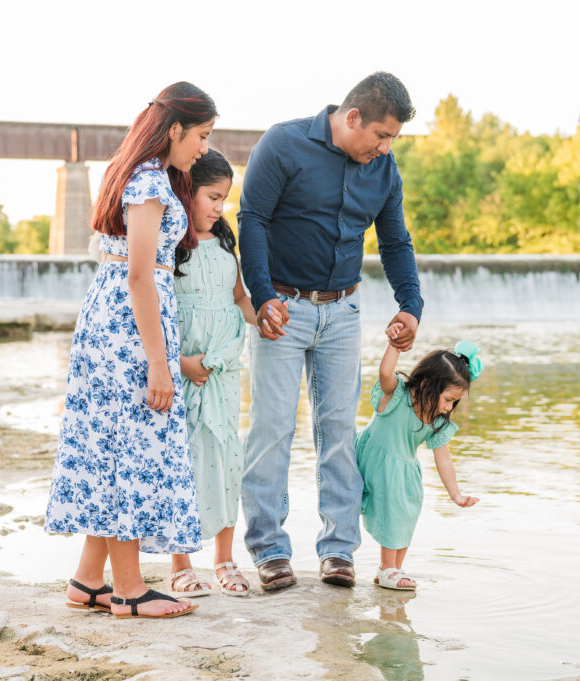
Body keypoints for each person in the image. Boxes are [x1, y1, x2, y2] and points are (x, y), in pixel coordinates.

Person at [238, 72, 423, 591]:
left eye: (393, 140)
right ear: (352, 117)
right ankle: (270, 549)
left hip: (343, 312)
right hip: (283, 308)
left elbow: (395, 241)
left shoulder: (383, 169)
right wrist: (261, 296)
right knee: (272, 429)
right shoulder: (283, 143)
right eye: (381, 135)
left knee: (339, 431)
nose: (385, 148)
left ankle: (338, 551)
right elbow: (251, 219)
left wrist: (410, 305)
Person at [44, 82, 217, 619]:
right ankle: (128, 590)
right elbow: (141, 274)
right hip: (129, 324)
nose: (205, 149)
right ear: (174, 131)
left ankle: (89, 580)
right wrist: (160, 364)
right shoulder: (148, 182)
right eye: (202, 136)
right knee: (130, 446)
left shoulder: (146, 177)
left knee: (111, 440)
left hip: (118, 319)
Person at [167, 149, 260, 597]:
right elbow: (159, 311)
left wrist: (262, 314)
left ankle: (224, 559)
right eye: (211, 196)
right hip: (183, 371)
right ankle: (181, 563)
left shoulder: (226, 243)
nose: (218, 208)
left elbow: (239, 299)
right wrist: (181, 364)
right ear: (186, 190)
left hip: (222, 372)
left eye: (224, 199)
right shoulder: (170, 247)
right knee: (182, 460)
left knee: (225, 460)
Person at [357, 333, 481, 590]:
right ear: (427, 384)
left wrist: (455, 495)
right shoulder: (397, 395)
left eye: (454, 402)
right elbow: (384, 371)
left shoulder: (436, 422)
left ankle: (392, 569)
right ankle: (388, 567)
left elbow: (444, 461)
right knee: (393, 504)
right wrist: (394, 345)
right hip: (374, 458)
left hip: (403, 468)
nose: (448, 408)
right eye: (448, 399)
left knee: (409, 505)